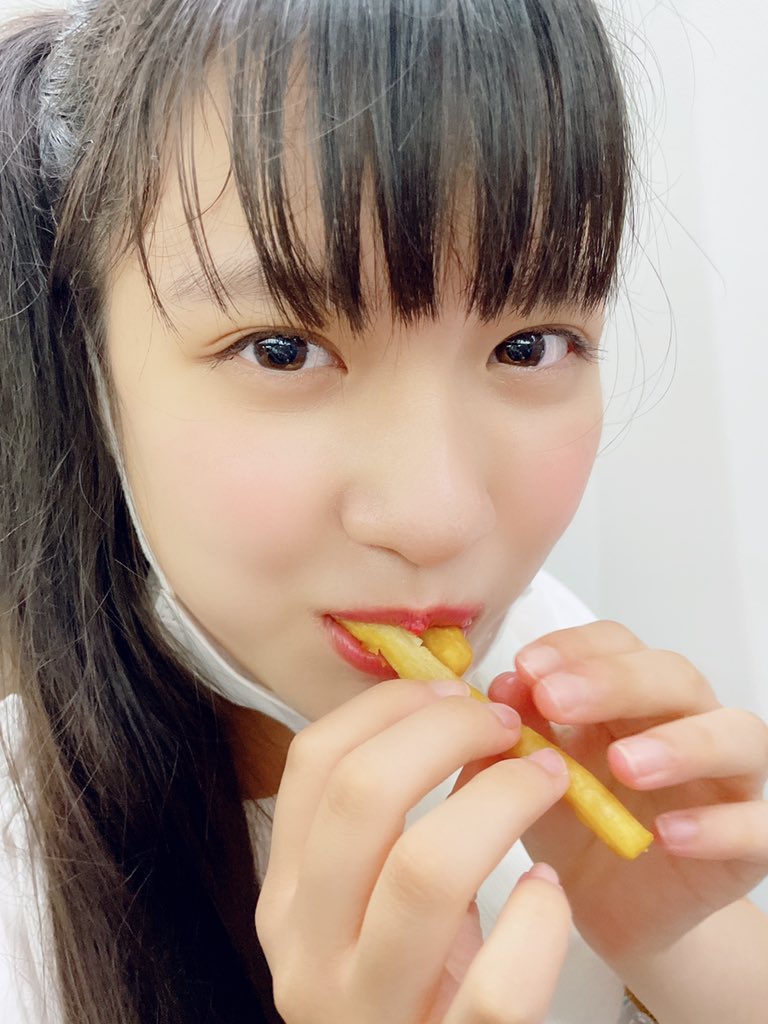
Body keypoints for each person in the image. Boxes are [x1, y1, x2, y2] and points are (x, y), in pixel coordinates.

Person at [0, 1, 766, 1021]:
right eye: (283, 349)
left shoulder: (542, 659)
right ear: (88, 366)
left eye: (529, 345)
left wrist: (680, 946)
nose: (438, 519)